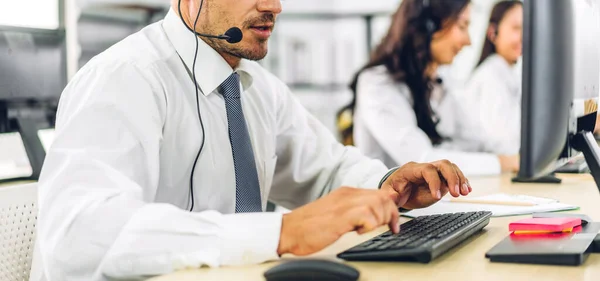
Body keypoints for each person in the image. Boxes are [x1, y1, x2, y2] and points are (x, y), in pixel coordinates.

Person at [30, 0, 473, 280]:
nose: (274, 6)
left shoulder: (255, 86)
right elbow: (78, 235)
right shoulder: (125, 78)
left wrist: (389, 183)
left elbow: (325, 168)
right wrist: (280, 232)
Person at [337, 0, 519, 177]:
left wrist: (522, 157)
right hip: (393, 205)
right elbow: (423, 162)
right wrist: (504, 162)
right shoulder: (377, 83)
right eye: (462, 26)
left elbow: (475, 139)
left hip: (430, 203)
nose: (468, 41)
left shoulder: (437, 81)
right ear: (428, 26)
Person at [461, 0, 523, 155]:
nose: (524, 36)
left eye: (527, 28)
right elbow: (501, 140)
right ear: (493, 33)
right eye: (516, 28)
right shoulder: (490, 76)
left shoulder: (508, 72)